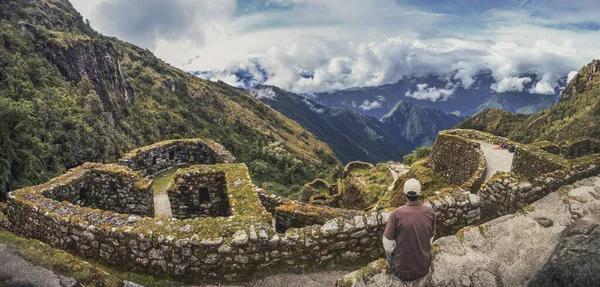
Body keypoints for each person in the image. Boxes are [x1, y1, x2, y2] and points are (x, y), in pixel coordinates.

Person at [382, 178, 436, 281]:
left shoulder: (396, 214)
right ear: (420, 193)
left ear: (404, 193)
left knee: (387, 253)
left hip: (402, 273)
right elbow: (430, 239)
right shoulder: (430, 212)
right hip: (424, 268)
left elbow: (388, 247)